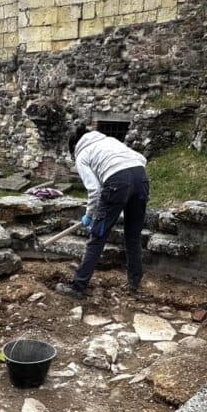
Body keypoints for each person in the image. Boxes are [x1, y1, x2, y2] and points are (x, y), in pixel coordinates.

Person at [55, 125, 150, 300]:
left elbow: (94, 190)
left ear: (74, 147)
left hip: (117, 182)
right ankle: (134, 282)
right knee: (133, 236)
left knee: (97, 237)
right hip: (141, 177)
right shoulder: (109, 141)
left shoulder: (82, 154)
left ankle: (78, 287)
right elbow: (141, 159)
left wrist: (90, 215)